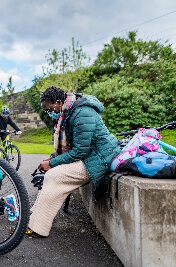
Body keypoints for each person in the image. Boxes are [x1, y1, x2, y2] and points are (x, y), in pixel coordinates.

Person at [25, 86, 120, 238]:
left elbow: (79, 151)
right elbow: (71, 146)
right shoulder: (69, 111)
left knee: (54, 176)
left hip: (99, 158)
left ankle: (37, 227)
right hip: (90, 155)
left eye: (49, 109)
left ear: (57, 102)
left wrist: (52, 163)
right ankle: (35, 215)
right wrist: (52, 157)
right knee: (51, 174)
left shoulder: (82, 113)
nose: (49, 112)